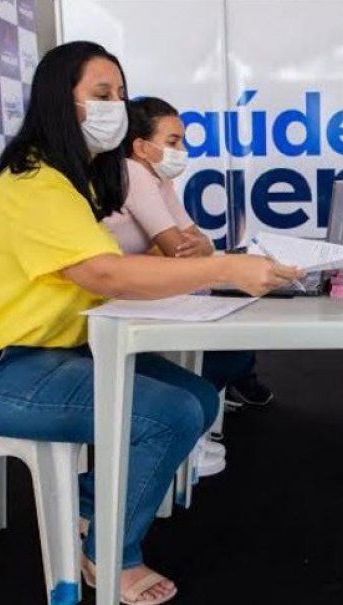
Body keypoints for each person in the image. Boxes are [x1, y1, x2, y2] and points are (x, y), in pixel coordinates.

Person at [0, 41, 299, 604]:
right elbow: (105, 274)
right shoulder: (34, 182)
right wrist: (227, 265)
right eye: (101, 94)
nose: (116, 106)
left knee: (199, 398)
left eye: (121, 94)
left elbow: (110, 268)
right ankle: (110, 555)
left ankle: (88, 513)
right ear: (61, 101)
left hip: (45, 353)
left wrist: (193, 263)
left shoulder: (71, 179)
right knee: (168, 415)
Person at [104, 96, 271, 476]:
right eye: (174, 141)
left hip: (143, 291)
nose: (183, 150)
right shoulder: (132, 172)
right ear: (141, 147)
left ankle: (189, 429)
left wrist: (192, 247)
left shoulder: (158, 180)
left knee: (232, 346)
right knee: (228, 352)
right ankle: (181, 436)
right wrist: (182, 248)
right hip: (117, 300)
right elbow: (178, 248)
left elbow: (199, 241)